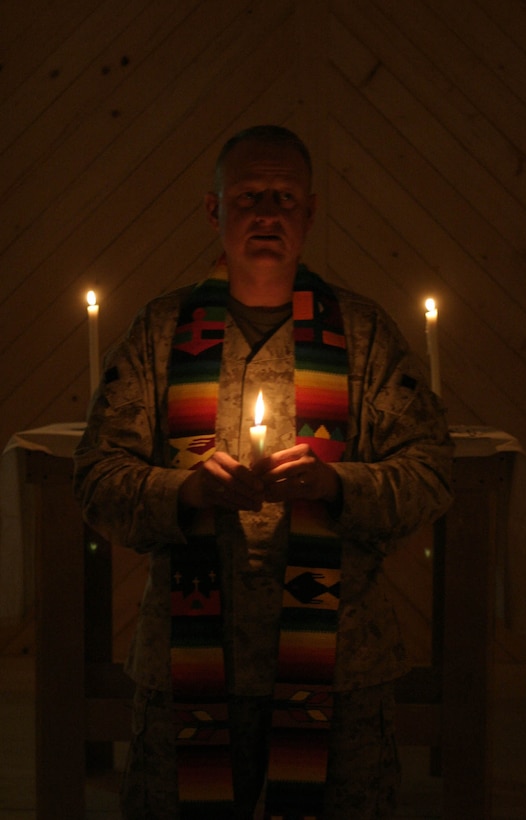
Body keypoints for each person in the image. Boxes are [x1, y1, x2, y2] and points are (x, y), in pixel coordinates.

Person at [74, 125, 453, 820]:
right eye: (249, 196)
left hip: (338, 662)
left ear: (309, 212)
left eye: (284, 197)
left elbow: (429, 471)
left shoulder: (362, 335)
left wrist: (335, 484)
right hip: (189, 655)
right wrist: (184, 490)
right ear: (215, 211)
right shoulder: (163, 334)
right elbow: (97, 477)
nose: (268, 213)